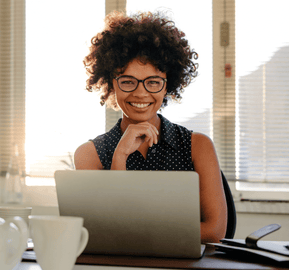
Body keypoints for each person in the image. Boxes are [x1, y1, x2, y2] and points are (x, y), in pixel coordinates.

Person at [74, 11, 227, 243]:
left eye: (153, 82)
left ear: (168, 86)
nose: (141, 92)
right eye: (127, 81)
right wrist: (120, 157)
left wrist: (139, 233)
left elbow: (215, 230)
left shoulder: (198, 146)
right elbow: (103, 229)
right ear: (111, 85)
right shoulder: (89, 154)